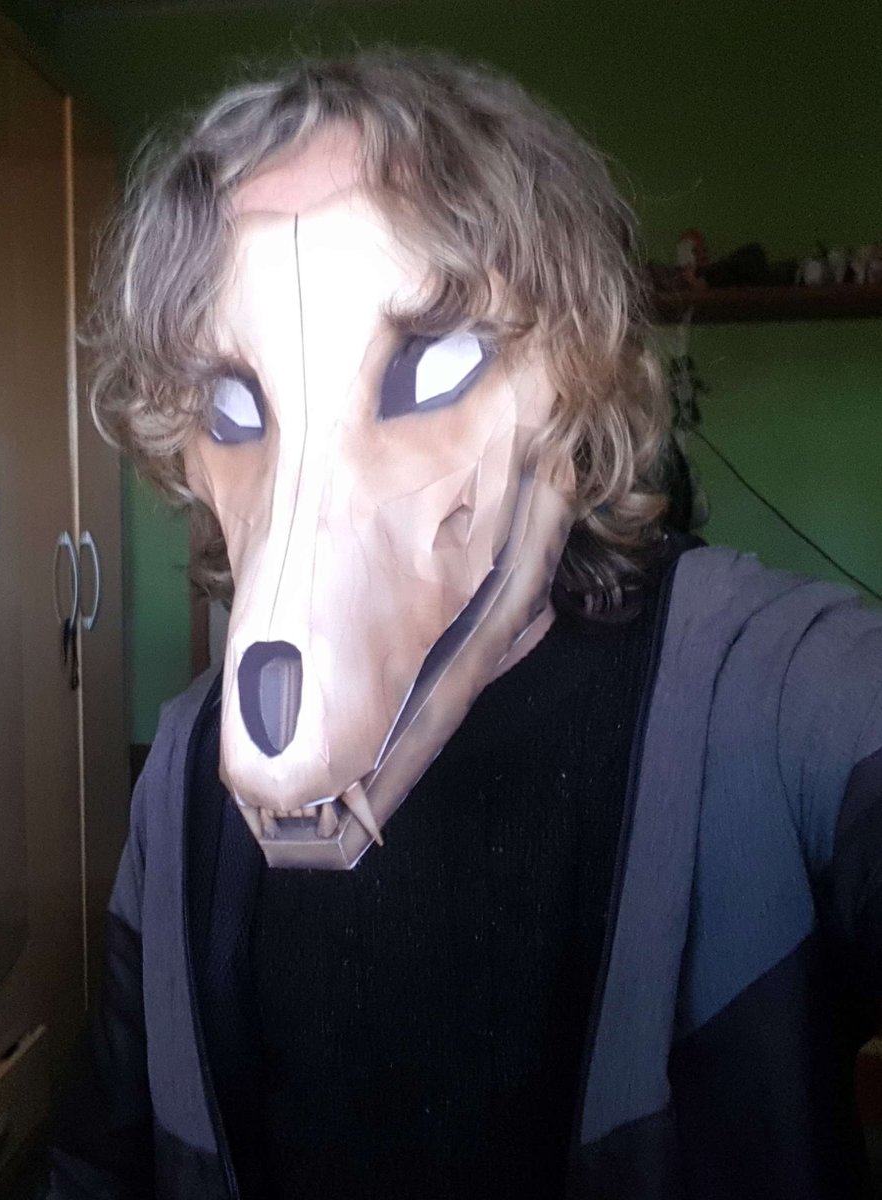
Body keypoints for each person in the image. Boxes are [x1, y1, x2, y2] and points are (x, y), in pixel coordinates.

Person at [49, 50, 882, 1200]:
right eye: (232, 404)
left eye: (433, 364)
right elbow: (99, 1161)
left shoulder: (775, 700)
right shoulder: (186, 776)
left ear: (573, 383)